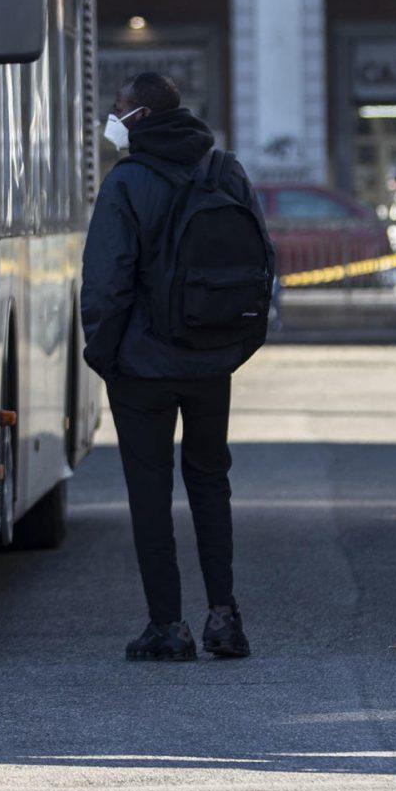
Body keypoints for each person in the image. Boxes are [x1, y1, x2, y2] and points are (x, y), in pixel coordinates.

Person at [81, 72, 266, 662]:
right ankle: (224, 618)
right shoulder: (223, 168)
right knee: (211, 482)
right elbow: (262, 258)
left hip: (141, 364)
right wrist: (237, 344)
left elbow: (106, 280)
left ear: (136, 117)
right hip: (212, 358)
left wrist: (103, 355)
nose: (111, 119)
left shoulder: (127, 181)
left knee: (150, 492)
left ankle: (168, 625)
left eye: (117, 109)